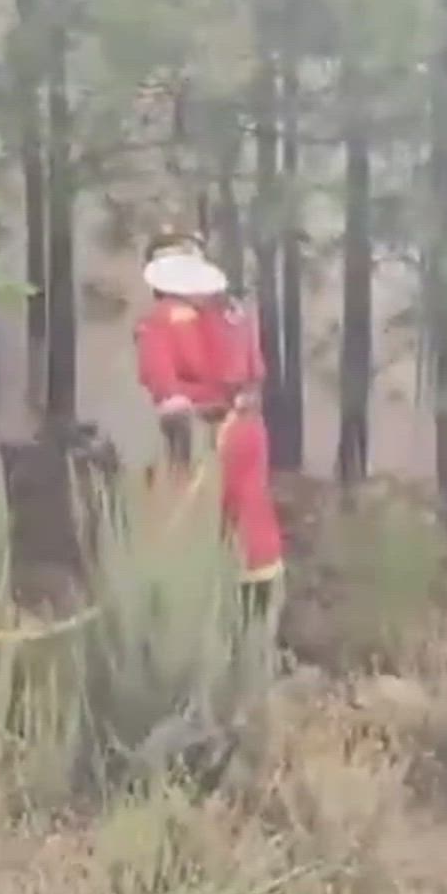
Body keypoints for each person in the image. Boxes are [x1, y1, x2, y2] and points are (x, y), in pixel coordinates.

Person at [132, 230, 285, 619]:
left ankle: (197, 618)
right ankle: (257, 619)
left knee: (187, 526)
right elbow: (256, 371)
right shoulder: (235, 315)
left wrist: (181, 446)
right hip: (247, 428)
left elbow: (165, 388)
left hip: (201, 434)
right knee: (251, 514)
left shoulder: (159, 322)